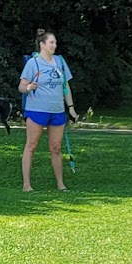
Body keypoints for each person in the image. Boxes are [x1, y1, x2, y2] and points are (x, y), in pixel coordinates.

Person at [18, 28, 77, 193]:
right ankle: (26, 185)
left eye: (55, 42)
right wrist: (28, 87)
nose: (54, 45)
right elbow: (21, 86)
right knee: (31, 146)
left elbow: (66, 86)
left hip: (57, 111)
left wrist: (71, 108)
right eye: (51, 42)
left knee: (56, 148)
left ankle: (61, 184)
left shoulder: (60, 61)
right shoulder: (33, 63)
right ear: (42, 45)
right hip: (36, 110)